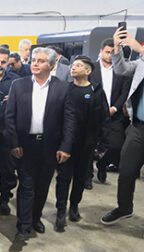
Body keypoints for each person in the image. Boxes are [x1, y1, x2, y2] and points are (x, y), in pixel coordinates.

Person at [6, 47, 75, 240]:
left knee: (43, 185)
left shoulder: (63, 88)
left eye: (41, 61)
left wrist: (65, 147)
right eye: (34, 60)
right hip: (24, 145)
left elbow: (69, 120)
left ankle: (35, 218)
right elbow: (9, 117)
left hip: (50, 146)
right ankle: (23, 225)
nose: (35, 63)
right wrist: (14, 143)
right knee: (26, 185)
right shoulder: (19, 85)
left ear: (52, 65)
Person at [54, 56, 109, 229]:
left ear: (88, 71)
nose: (73, 68)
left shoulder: (96, 91)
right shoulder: (66, 89)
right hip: (66, 143)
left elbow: (104, 117)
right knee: (63, 178)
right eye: (73, 65)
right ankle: (60, 210)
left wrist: (101, 143)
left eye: (78, 65)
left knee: (80, 177)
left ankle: (74, 207)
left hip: (87, 143)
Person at [101, 27, 144, 225]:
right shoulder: (142, 62)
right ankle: (124, 207)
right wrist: (117, 49)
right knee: (126, 171)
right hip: (138, 127)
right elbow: (122, 70)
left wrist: (140, 49)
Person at [89, 38, 130, 184]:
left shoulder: (123, 70)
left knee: (116, 145)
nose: (110, 55)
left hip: (114, 114)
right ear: (101, 52)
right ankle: (88, 175)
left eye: (113, 52)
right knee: (89, 145)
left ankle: (102, 164)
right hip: (93, 113)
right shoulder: (91, 69)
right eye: (107, 52)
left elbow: (124, 92)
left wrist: (114, 108)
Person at [0, 48, 20, 215]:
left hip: (8, 132)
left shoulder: (16, 82)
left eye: (3, 62)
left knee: (7, 169)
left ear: (8, 63)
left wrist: (14, 100)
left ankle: (5, 198)